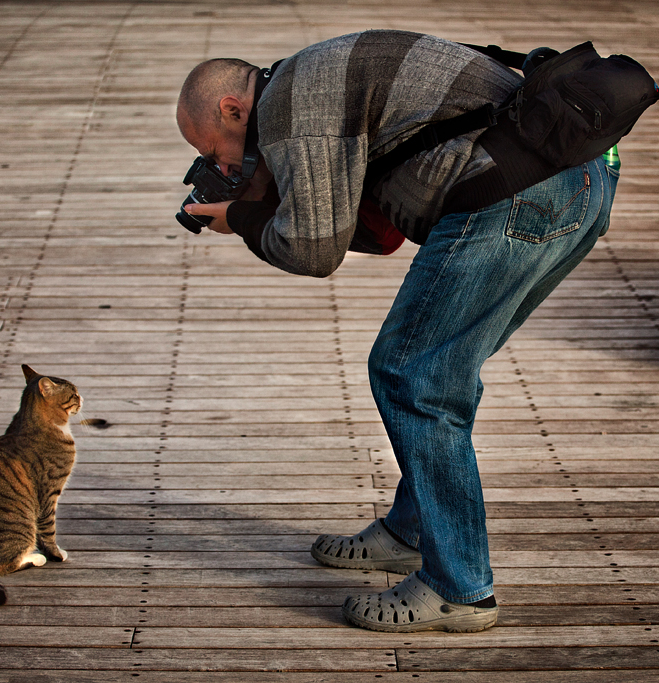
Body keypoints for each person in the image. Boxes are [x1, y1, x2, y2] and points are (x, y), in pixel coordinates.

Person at [176, 30, 618, 633]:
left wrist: (246, 215)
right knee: (438, 372)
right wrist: (269, 193)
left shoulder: (287, 105)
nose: (223, 167)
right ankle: (412, 532)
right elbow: (377, 233)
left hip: (514, 195)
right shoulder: (308, 79)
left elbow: (313, 249)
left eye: (216, 151)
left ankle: (459, 587)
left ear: (233, 109)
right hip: (575, 187)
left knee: (414, 375)